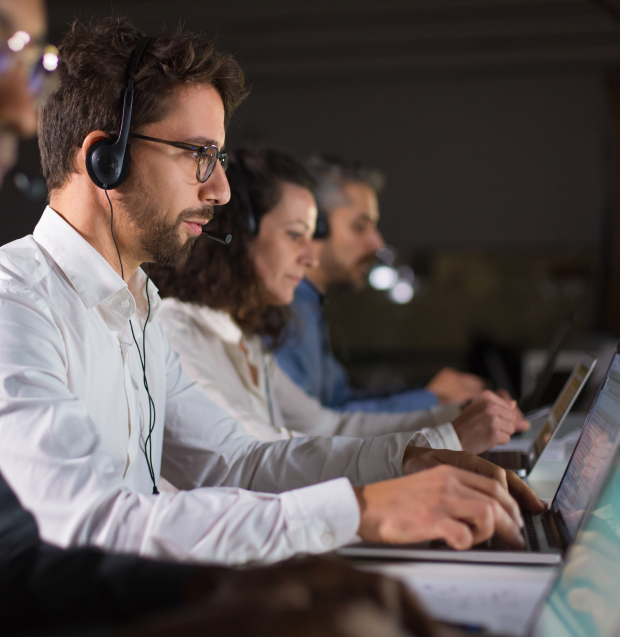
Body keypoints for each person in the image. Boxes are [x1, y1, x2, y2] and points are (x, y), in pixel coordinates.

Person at [0, 16, 543, 570]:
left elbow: (239, 463)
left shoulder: (139, 307)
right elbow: (83, 524)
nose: (220, 189)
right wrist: (358, 512)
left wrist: (405, 464)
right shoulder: (14, 304)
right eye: (198, 155)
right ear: (104, 160)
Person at [153, 146, 529, 454]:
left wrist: (451, 416)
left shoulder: (244, 337)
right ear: (240, 234)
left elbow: (330, 426)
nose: (311, 257)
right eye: (295, 235)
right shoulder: (177, 331)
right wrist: (445, 438)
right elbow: (256, 458)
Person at [275, 154, 513, 412]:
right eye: (360, 226)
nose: (377, 243)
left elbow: (340, 401)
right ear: (316, 226)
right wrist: (430, 399)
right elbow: (312, 425)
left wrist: (430, 392)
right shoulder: (284, 309)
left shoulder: (310, 306)